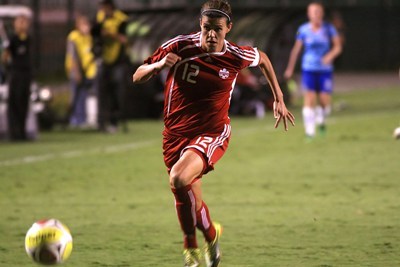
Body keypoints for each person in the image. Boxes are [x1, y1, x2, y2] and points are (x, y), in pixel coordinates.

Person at [132, 0, 295, 266]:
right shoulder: (179, 45)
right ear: (200, 24)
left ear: (228, 28)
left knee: (178, 179)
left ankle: (190, 251)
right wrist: (158, 65)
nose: (211, 34)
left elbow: (262, 58)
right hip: (174, 135)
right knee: (191, 201)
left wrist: (279, 97)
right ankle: (211, 235)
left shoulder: (234, 55)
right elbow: (137, 75)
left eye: (217, 29)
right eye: (206, 27)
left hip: (212, 132)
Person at [284, 1, 342, 140]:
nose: (316, 14)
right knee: (309, 98)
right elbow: (296, 50)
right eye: (313, 12)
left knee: (324, 101)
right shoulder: (303, 29)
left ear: (322, 13)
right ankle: (309, 132)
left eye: (318, 11)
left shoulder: (329, 29)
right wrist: (290, 68)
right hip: (308, 68)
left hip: (325, 70)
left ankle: (321, 121)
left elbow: (337, 47)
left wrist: (330, 56)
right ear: (309, 14)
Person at [92, 0, 129, 133]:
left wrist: (111, 35)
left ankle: (115, 121)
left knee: (116, 90)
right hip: (103, 60)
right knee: (101, 91)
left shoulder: (122, 19)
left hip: (118, 61)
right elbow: (93, 34)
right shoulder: (99, 18)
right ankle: (101, 122)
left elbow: (125, 40)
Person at [2, 15, 32, 141]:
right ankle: (14, 133)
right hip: (16, 74)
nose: (22, 25)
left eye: (24, 22)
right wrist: (9, 67)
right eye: (20, 22)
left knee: (24, 104)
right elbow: (5, 56)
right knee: (15, 103)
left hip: (26, 74)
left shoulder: (29, 39)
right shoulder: (12, 39)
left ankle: (22, 132)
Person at [65, 15, 97, 128]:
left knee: (85, 95)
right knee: (76, 95)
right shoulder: (73, 37)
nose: (86, 27)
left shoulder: (90, 37)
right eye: (83, 24)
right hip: (76, 71)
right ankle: (74, 119)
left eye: (86, 24)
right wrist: (76, 72)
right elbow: (73, 56)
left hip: (88, 71)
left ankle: (84, 119)